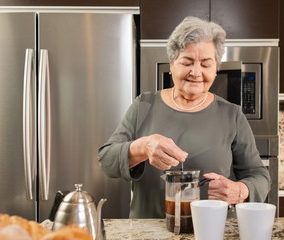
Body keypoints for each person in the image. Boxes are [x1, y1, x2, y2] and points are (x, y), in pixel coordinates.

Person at [98, 16, 271, 218]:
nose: (196, 72)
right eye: (187, 62)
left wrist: (239, 190)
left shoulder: (232, 114)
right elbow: (106, 161)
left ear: (216, 69)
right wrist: (143, 146)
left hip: (212, 235)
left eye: (206, 64)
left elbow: (260, 176)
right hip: (150, 236)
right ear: (172, 65)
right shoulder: (144, 106)